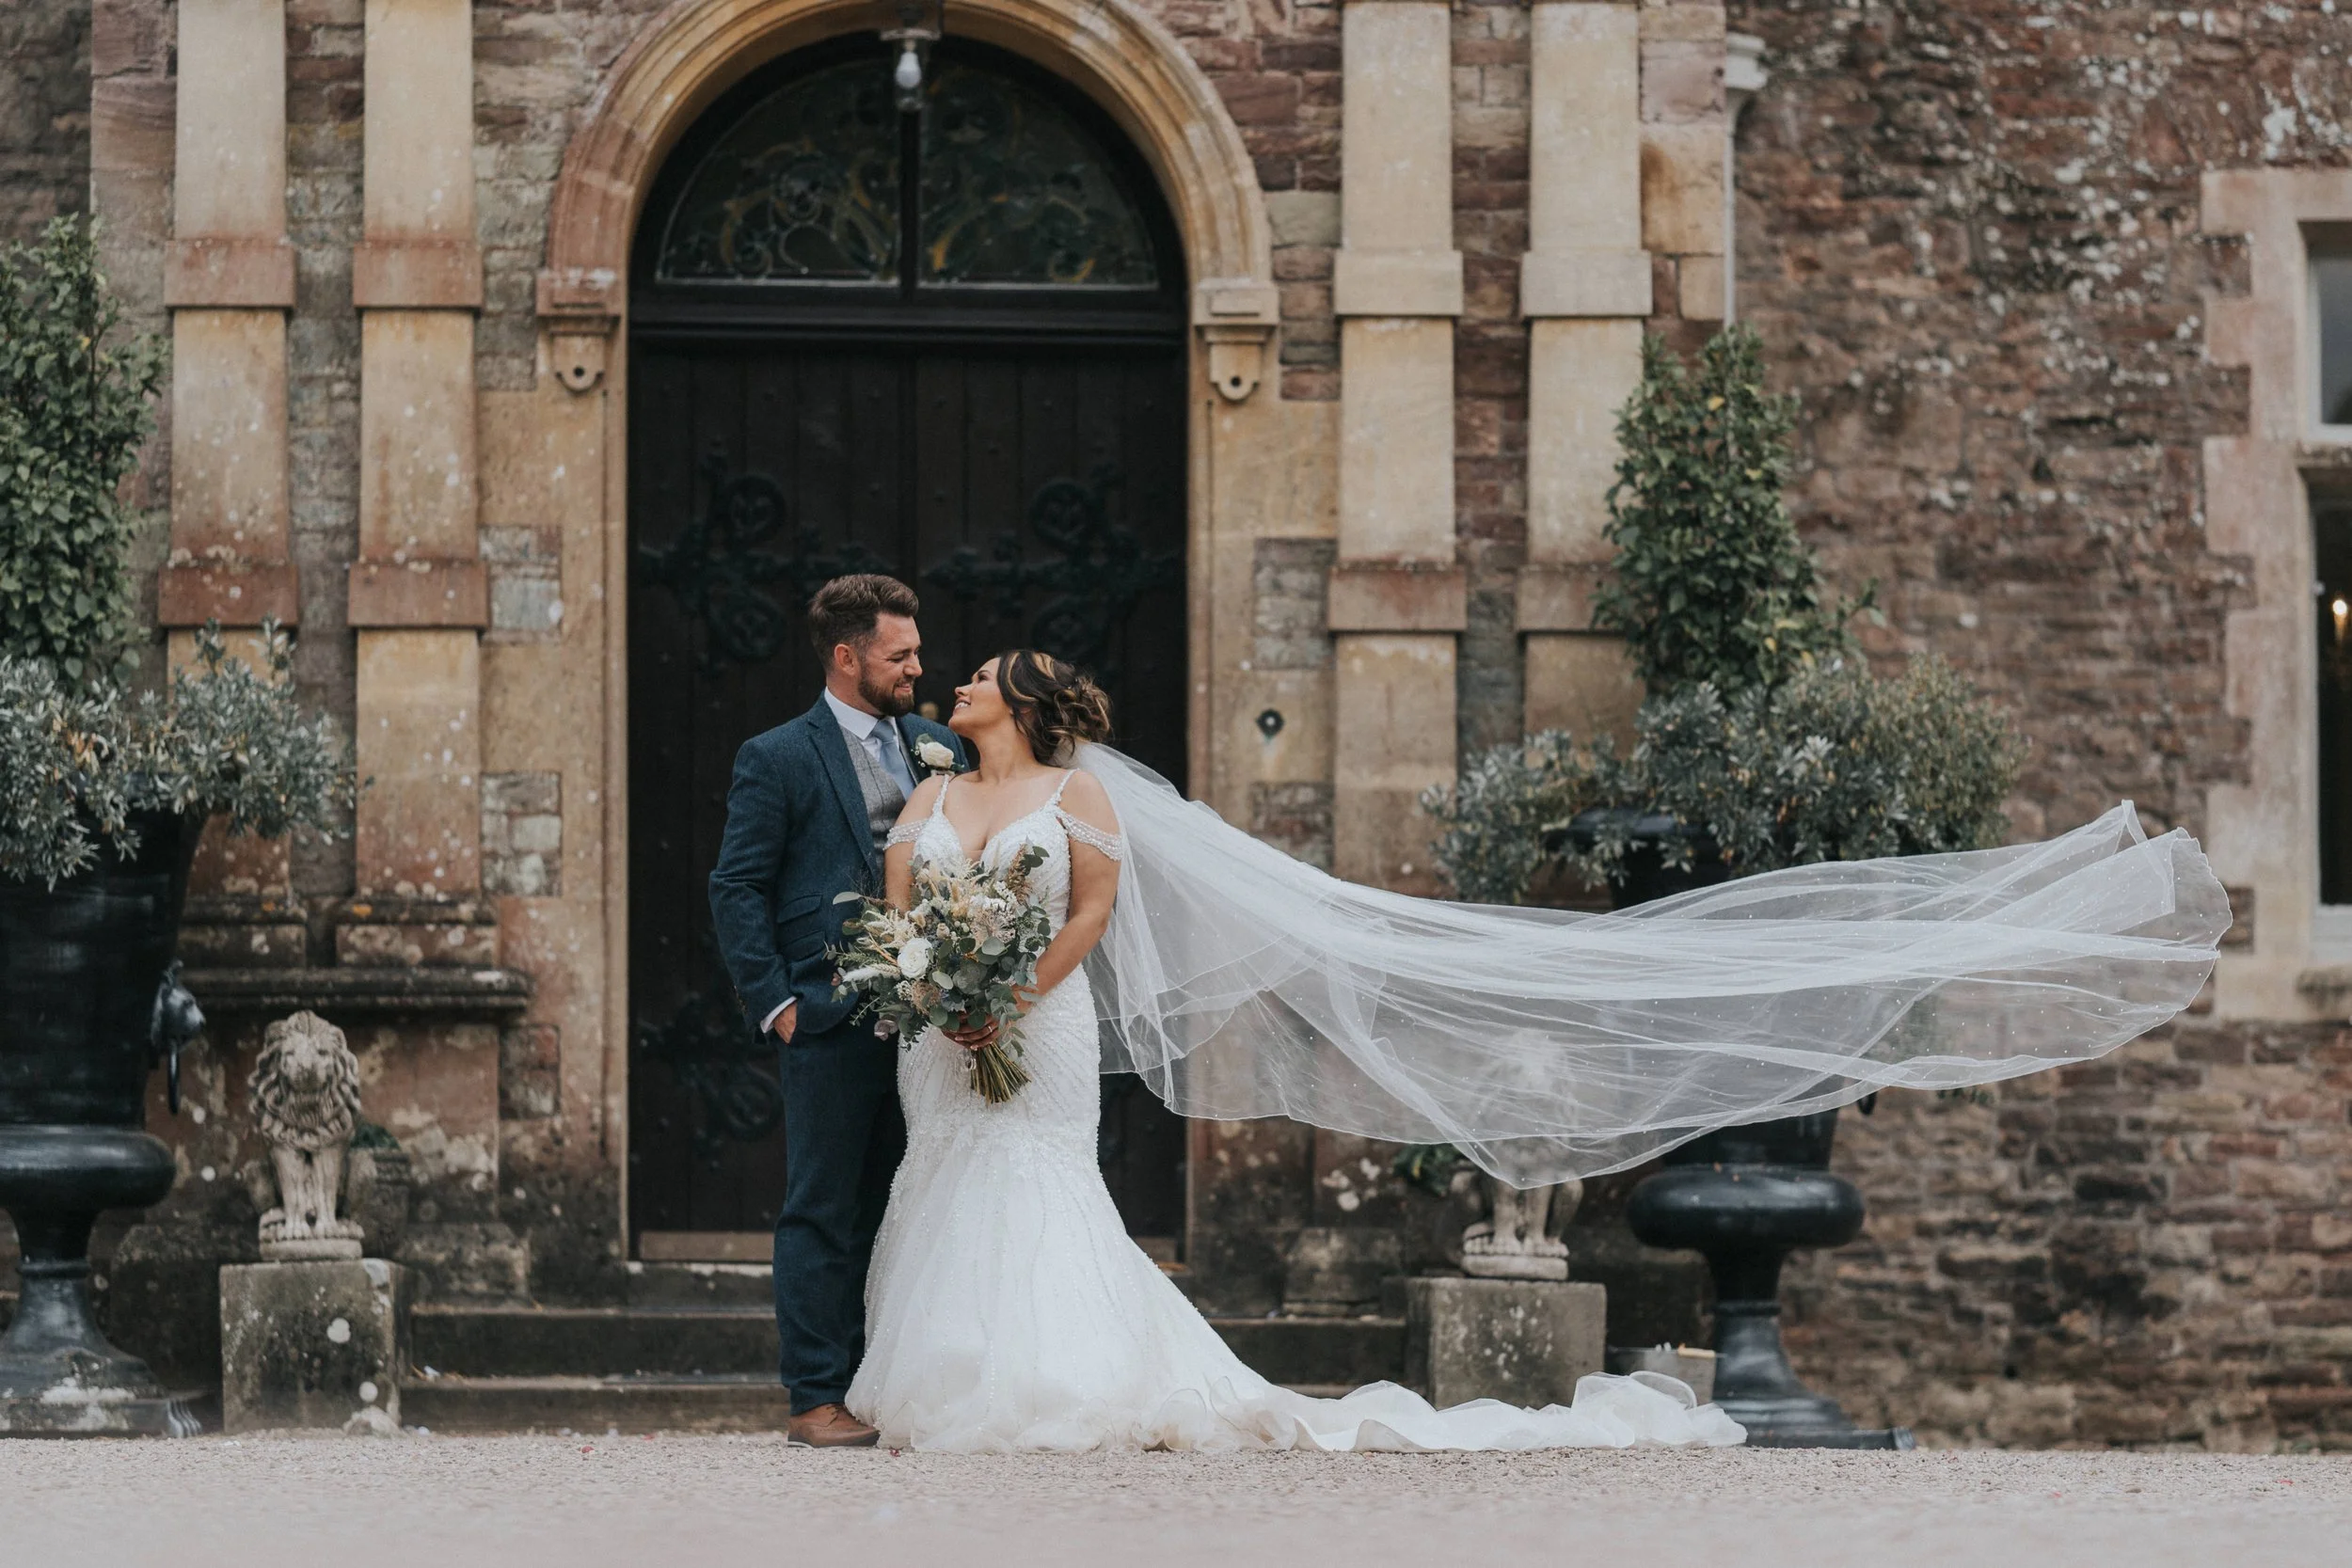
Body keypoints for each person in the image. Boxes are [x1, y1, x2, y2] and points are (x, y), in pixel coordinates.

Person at [844, 647, 2227, 1453]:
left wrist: (1011, 991)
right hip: (943, 1030)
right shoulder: (932, 790)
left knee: (1038, 1181)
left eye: (974, 674)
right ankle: (935, 1369)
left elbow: (1090, 907)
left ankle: (1049, 1375)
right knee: (949, 1173)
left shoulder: (1079, 791)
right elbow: (904, 898)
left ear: (1019, 699)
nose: (955, 681)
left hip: (1041, 1018)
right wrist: (929, 983)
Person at [707, 575, 966, 1449]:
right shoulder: (776, 755)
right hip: (826, 1016)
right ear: (848, 656)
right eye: (901, 654)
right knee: (821, 1206)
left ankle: (889, 1385)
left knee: (912, 1201)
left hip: (934, 1024)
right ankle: (816, 1395)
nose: (918, 666)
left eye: (917, 650)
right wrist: (777, 1001)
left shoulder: (937, 743)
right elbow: (735, 884)